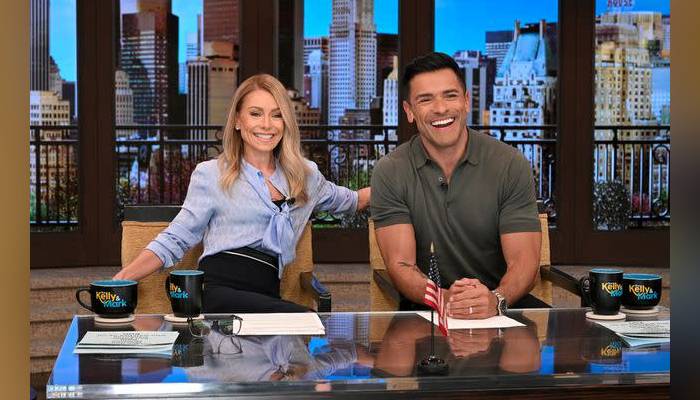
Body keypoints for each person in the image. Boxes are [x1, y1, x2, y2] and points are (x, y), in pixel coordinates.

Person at [115, 74, 370, 313]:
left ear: (286, 122)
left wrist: (392, 181)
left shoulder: (306, 176)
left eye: (277, 115)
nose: (266, 125)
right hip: (215, 293)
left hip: (266, 297)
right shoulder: (211, 174)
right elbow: (176, 238)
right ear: (238, 120)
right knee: (306, 320)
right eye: (255, 114)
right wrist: (122, 279)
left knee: (296, 326)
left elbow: (353, 200)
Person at [370, 52, 543, 320]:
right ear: (409, 111)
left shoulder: (510, 164)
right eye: (425, 99)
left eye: (450, 96)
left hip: (502, 303)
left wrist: (495, 300)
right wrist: (447, 300)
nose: (440, 108)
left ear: (466, 101)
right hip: (427, 308)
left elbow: (525, 264)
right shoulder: (390, 171)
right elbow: (401, 265)